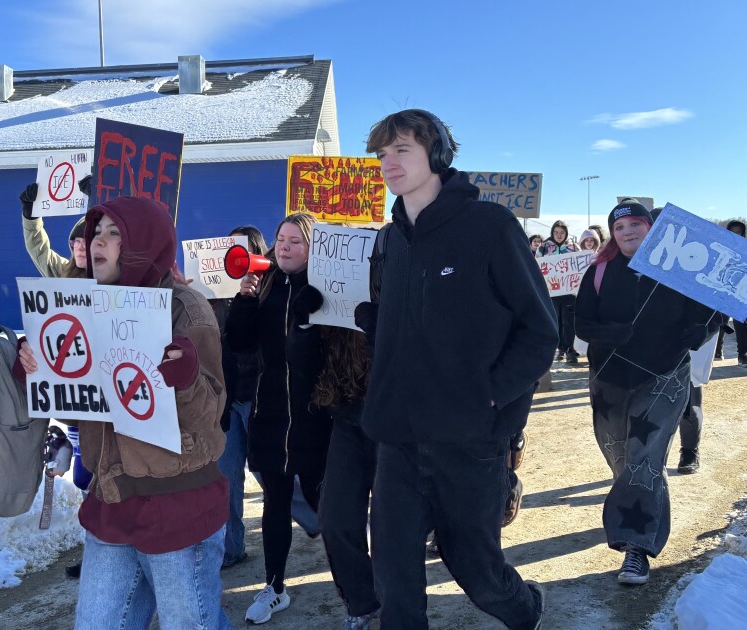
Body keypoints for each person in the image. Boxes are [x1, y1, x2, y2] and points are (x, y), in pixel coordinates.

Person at [356, 109, 553, 629]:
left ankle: (525, 609)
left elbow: (540, 331)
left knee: (478, 575)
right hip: (397, 437)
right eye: (382, 154)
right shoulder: (392, 239)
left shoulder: (489, 227)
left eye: (402, 150)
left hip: (467, 441)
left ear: (437, 155)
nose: (388, 164)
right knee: (394, 581)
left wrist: (488, 396)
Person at [22, 196, 230, 629]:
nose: (99, 241)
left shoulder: (186, 310)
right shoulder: (80, 305)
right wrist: (35, 367)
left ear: (142, 244)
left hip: (177, 503)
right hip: (111, 500)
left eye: (114, 233)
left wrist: (186, 377)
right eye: (96, 232)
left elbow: (210, 417)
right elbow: (79, 396)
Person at [575, 200, 719, 586]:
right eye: (619, 228)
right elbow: (581, 322)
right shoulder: (600, 272)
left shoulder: (679, 270)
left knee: (644, 459)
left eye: (635, 225)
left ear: (650, 228)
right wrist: (610, 334)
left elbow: (714, 305)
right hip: (610, 383)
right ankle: (637, 514)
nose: (627, 233)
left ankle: (635, 549)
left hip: (664, 377)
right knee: (622, 457)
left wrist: (700, 330)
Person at [226, 212, 332, 624]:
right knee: (275, 502)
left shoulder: (326, 287)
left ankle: (353, 584)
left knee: (330, 504)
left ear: (311, 249)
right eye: (281, 239)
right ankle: (274, 586)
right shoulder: (265, 284)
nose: (285, 247)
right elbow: (239, 342)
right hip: (270, 412)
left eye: (295, 241)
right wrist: (245, 299)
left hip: (315, 414)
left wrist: (312, 313)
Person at [19, 180, 94, 578]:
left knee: (101, 473)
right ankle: (95, 547)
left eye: (88, 239)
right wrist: (32, 215)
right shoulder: (60, 274)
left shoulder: (114, 279)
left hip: (106, 392)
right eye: (76, 241)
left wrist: (102, 202)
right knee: (83, 475)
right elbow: (39, 247)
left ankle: (109, 547)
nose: (81, 247)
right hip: (73, 393)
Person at [312, 325, 381, 630]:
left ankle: (398, 604)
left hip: (392, 410)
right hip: (345, 408)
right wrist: (302, 323)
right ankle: (362, 602)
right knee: (335, 519)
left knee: (395, 526)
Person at [217, 224, 267, 568]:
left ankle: (321, 522)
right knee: (225, 478)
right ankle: (232, 547)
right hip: (227, 396)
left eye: (247, 252)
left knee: (270, 474)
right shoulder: (214, 292)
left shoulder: (273, 287)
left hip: (259, 395)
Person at [537, 220, 579, 364]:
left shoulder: (573, 247)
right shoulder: (543, 248)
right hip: (551, 292)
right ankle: (560, 348)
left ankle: (570, 349)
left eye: (562, 232)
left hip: (569, 291)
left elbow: (580, 266)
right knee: (556, 321)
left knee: (569, 321)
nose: (559, 235)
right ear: (552, 232)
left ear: (566, 233)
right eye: (556, 232)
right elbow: (537, 267)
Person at [714, 222, 747, 366]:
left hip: (741, 291)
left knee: (742, 325)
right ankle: (717, 351)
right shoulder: (720, 248)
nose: (735, 235)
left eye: (738, 232)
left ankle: (742, 355)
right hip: (722, 290)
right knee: (720, 321)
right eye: (732, 232)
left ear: (743, 233)